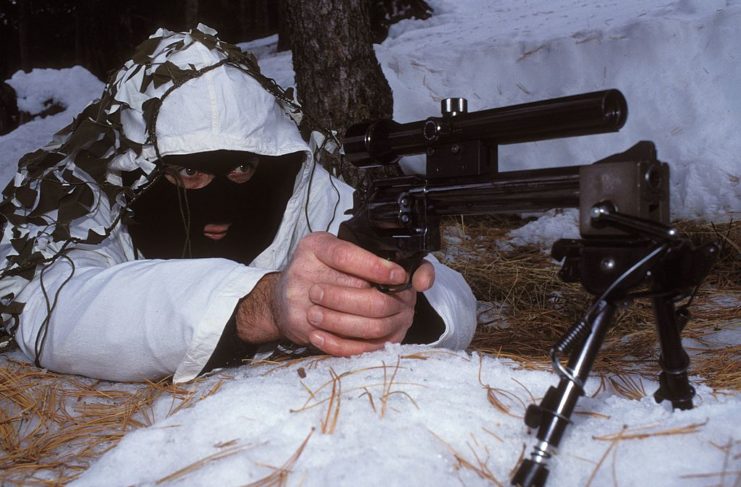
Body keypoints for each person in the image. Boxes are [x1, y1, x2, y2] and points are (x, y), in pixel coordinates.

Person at [0, 25, 476, 383]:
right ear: (143, 168)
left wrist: (404, 311)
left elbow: (448, 291)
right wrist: (263, 304)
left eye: (242, 170)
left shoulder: (301, 188)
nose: (221, 202)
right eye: (189, 172)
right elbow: (52, 309)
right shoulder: (93, 198)